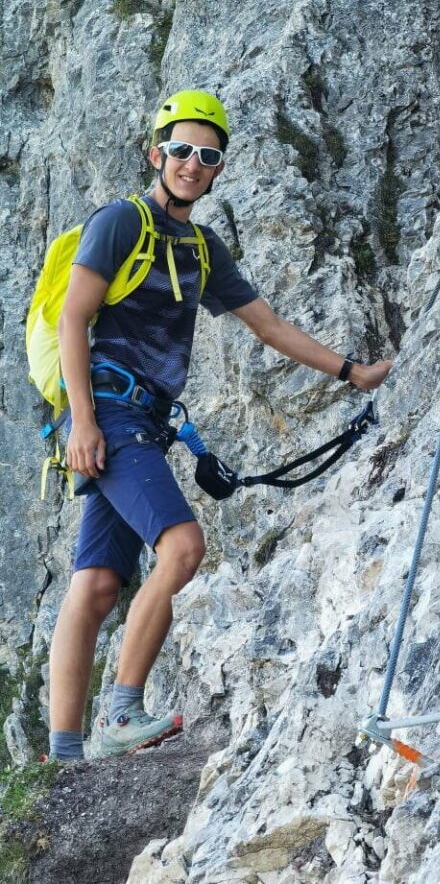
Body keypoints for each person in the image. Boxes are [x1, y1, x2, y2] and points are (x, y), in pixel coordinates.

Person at [47, 89, 392, 761]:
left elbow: (267, 325)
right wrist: (83, 423)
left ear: (219, 169)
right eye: (180, 150)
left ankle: (62, 756)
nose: (191, 163)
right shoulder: (121, 222)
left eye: (207, 155)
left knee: (96, 582)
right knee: (181, 548)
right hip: (109, 415)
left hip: (141, 423)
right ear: (157, 154)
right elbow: (72, 318)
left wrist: (351, 371)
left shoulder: (202, 248)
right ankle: (119, 714)